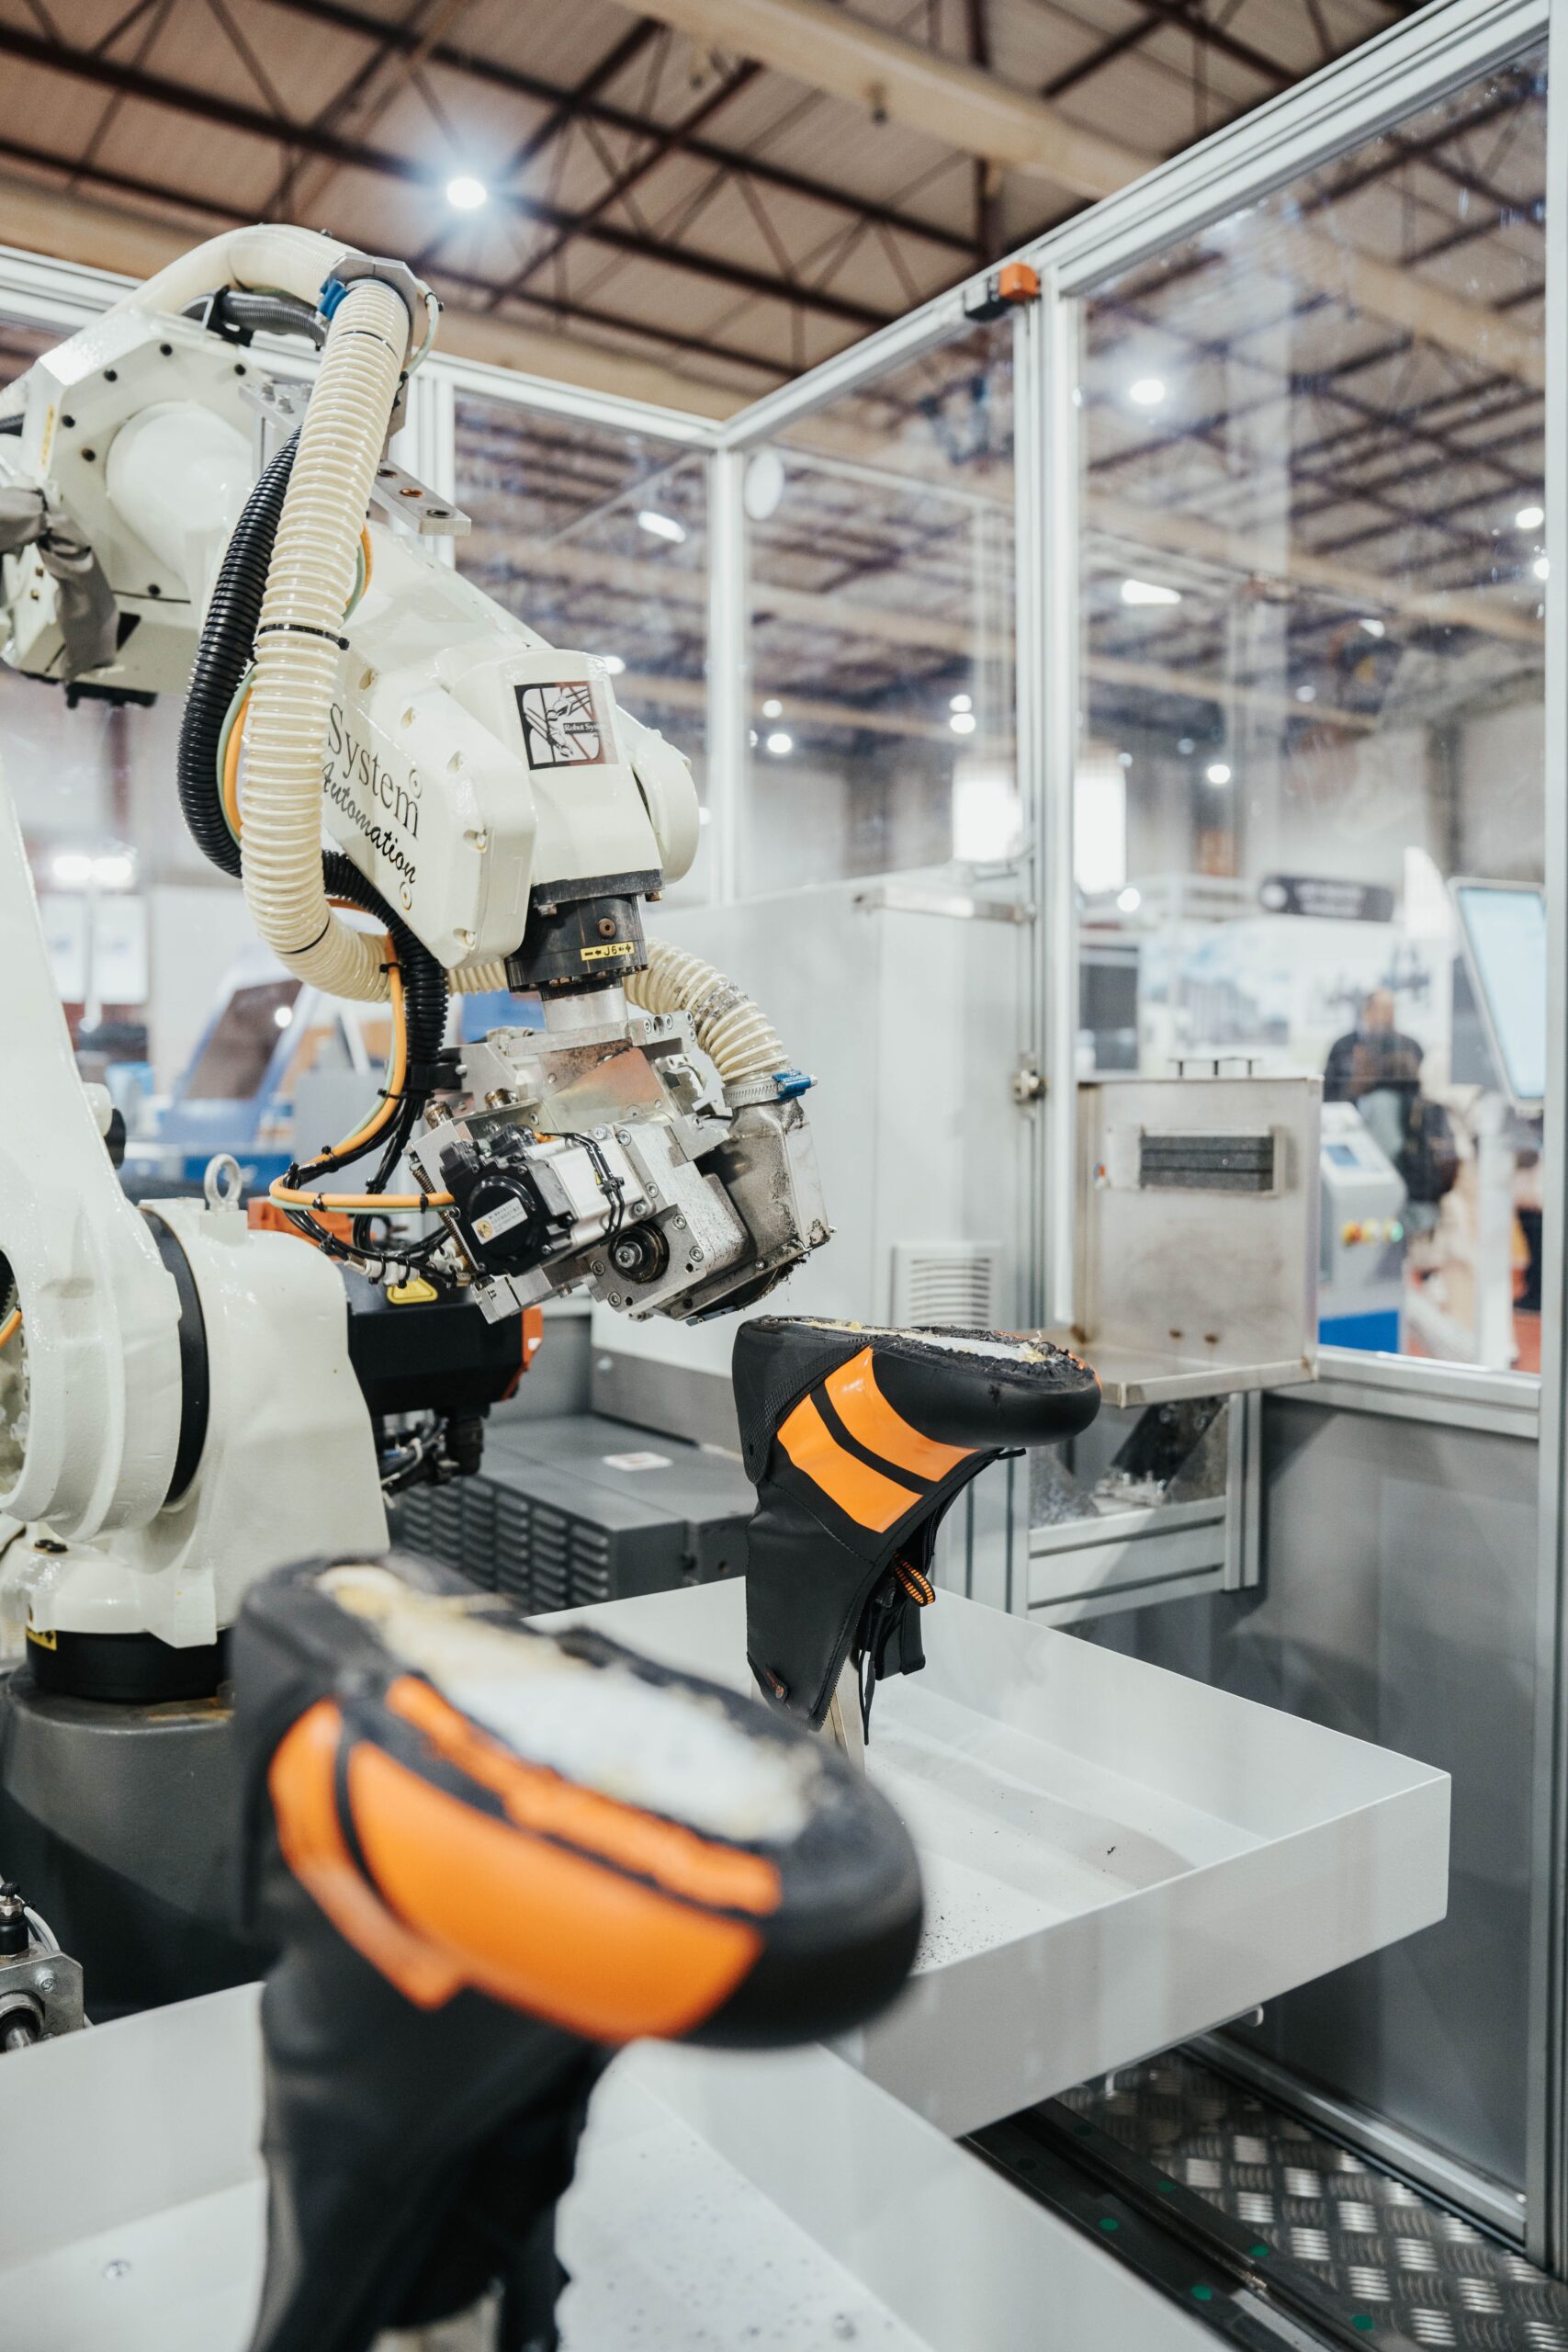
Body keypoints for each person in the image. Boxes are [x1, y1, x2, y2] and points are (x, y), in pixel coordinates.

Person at [1324, 988, 1456, 1233]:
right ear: (1366, 1011)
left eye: (1392, 1009)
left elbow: (1385, 1153)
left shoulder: (1385, 1096)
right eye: (1382, 1009)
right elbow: (1329, 1096)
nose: (1388, 1015)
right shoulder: (1343, 1046)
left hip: (1403, 1199)